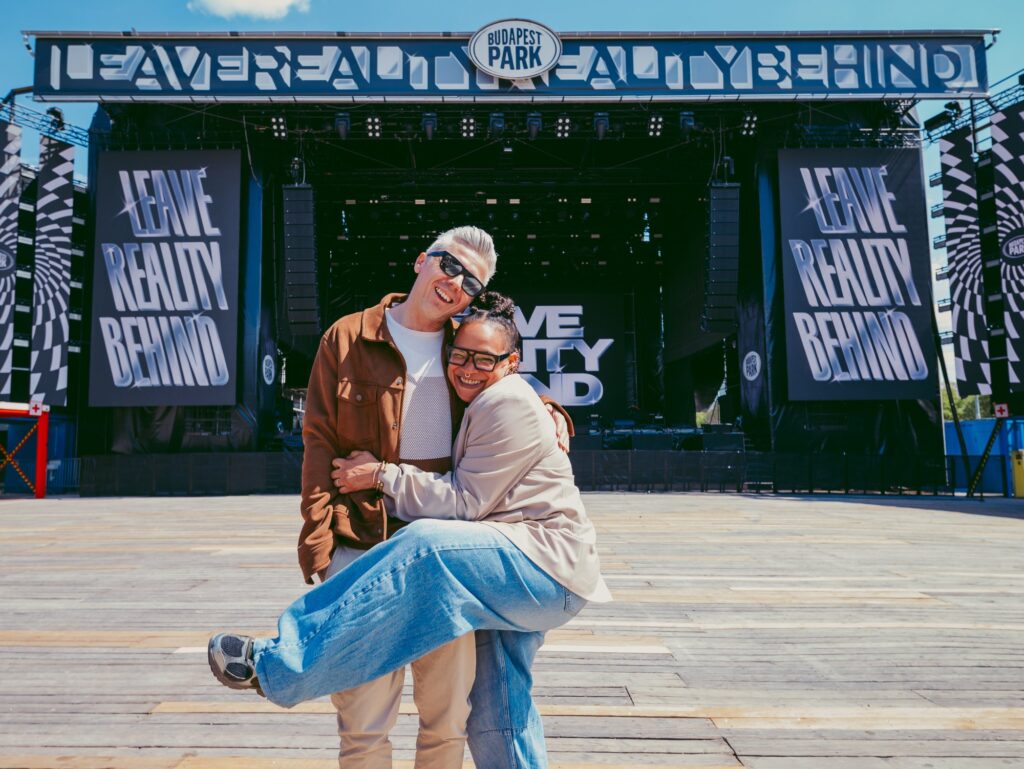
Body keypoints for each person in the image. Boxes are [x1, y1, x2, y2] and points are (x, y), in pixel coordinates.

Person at [208, 293, 611, 765]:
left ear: (511, 363)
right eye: (460, 355)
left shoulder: (505, 401)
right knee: (497, 710)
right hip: (497, 569)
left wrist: (382, 475)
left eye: (484, 359)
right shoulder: (474, 390)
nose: (467, 368)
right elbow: (320, 440)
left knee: (424, 545)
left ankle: (275, 663)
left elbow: (465, 502)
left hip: (539, 564)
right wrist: (320, 542)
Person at [278, 225, 570, 769]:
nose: (456, 283)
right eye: (449, 265)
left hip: (444, 557)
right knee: (363, 722)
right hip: (363, 544)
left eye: (472, 283)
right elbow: (318, 443)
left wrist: (550, 406)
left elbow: (510, 381)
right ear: (421, 261)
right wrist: (318, 545)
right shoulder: (347, 336)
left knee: (446, 720)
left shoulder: (465, 344)